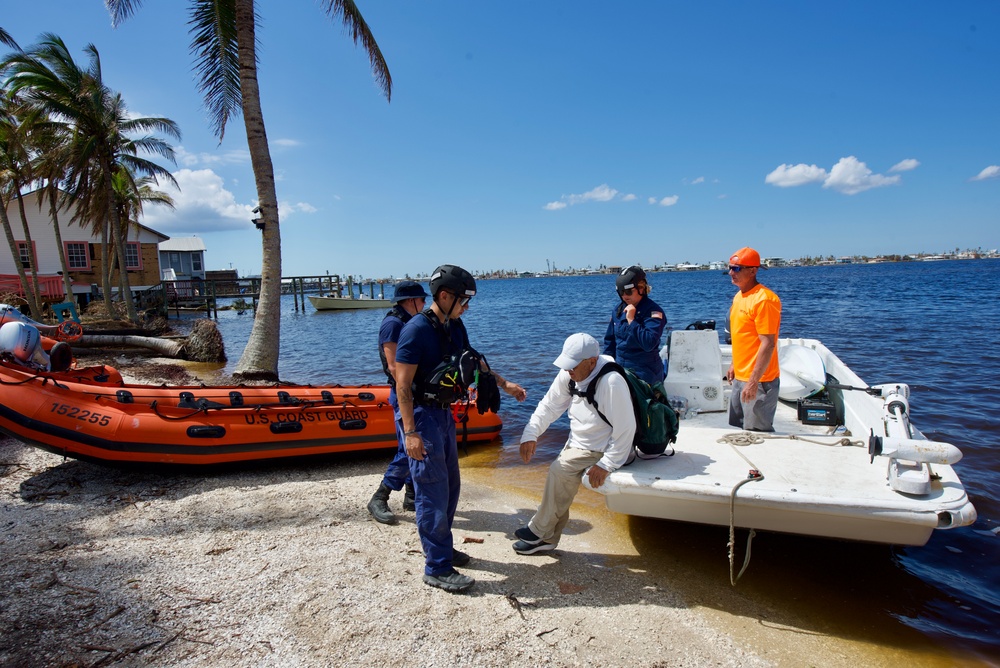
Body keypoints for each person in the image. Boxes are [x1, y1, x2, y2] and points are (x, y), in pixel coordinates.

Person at [395, 264, 526, 593]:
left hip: (443, 414)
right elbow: (402, 385)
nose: (468, 306)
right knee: (431, 490)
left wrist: (505, 384)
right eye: (464, 299)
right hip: (422, 416)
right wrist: (410, 432)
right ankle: (436, 567)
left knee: (451, 487)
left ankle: (443, 547)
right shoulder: (415, 331)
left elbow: (475, 362)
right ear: (444, 295)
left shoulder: (455, 326)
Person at [513, 333, 636, 555]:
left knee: (558, 471)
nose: (569, 370)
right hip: (579, 442)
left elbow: (626, 429)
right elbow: (549, 406)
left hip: (604, 447)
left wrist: (608, 463)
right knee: (559, 483)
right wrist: (530, 433)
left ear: (591, 361)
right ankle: (547, 538)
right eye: (566, 365)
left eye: (573, 366)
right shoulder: (570, 374)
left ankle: (539, 532)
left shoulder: (611, 382)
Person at [366, 280, 429, 525]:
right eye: (422, 300)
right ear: (411, 301)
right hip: (404, 394)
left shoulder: (409, 321)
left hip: (413, 393)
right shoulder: (393, 324)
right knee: (408, 447)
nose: (425, 304)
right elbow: (394, 367)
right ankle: (380, 496)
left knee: (412, 445)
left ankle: (411, 497)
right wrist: (411, 391)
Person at [725, 247, 781, 432]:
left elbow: (768, 343)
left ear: (753, 270)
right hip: (741, 377)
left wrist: (753, 382)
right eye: (730, 267)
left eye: (737, 268)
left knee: (757, 436)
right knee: (740, 432)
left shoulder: (764, 300)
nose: (731, 272)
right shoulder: (739, 297)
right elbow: (742, 335)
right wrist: (734, 364)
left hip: (759, 381)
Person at [603, 265, 667, 385]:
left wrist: (632, 321)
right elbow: (610, 341)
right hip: (621, 370)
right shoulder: (618, 310)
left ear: (641, 288)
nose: (624, 296)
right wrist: (606, 367)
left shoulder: (653, 312)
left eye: (628, 291)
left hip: (645, 373)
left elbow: (649, 343)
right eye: (621, 292)